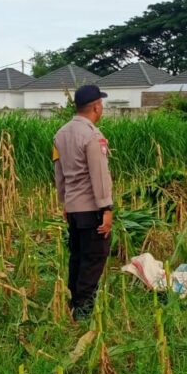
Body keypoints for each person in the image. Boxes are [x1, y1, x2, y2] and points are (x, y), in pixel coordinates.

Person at [53, 84, 114, 320]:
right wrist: (106, 208)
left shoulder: (61, 134)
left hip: (74, 209)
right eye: (102, 105)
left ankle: (73, 301)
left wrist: (65, 203)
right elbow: (98, 175)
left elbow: (59, 174)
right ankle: (84, 310)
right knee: (93, 258)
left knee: (77, 256)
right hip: (92, 209)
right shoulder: (92, 136)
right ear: (96, 107)